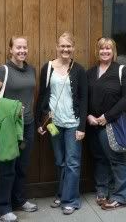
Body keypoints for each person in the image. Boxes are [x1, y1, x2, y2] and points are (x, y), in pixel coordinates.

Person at [0, 36, 38, 222]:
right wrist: (12, 107)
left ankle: (19, 200)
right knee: (7, 168)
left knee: (22, 166)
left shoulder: (31, 69)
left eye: (24, 47)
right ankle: (3, 208)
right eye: (18, 47)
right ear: (10, 50)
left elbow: (30, 96)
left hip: (28, 125)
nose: (22, 51)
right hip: (9, 127)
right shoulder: (3, 70)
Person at [36, 32, 88, 215]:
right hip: (54, 124)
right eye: (62, 46)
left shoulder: (79, 70)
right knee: (60, 161)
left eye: (69, 46)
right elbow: (42, 95)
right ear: (56, 47)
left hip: (73, 123)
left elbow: (83, 100)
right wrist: (40, 122)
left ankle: (70, 200)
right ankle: (62, 192)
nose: (65, 49)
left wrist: (82, 127)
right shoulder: (48, 67)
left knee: (72, 162)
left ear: (73, 48)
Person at [86, 37, 126, 210]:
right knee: (99, 159)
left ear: (113, 52)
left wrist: (107, 116)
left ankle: (121, 196)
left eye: (108, 49)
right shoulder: (89, 72)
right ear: (97, 51)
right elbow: (84, 97)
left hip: (113, 124)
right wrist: (88, 115)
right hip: (93, 125)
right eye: (102, 49)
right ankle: (102, 191)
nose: (105, 52)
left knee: (118, 160)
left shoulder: (121, 70)